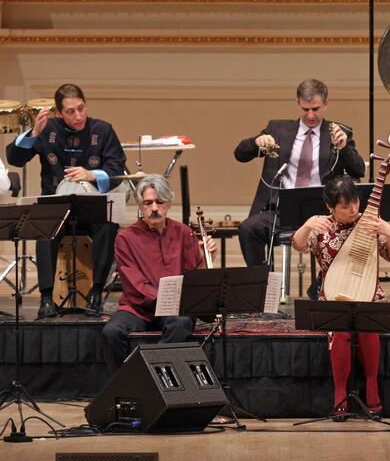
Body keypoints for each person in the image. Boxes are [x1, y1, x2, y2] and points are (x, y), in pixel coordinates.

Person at [5, 83, 126, 318]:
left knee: (108, 225)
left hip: (91, 207)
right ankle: (46, 299)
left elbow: (117, 167)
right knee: (43, 227)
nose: (78, 116)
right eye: (71, 111)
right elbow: (15, 158)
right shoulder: (47, 129)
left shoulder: (103, 130)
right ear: (59, 113)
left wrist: (92, 175)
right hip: (57, 208)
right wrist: (34, 134)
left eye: (81, 108)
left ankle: (96, 294)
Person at [292, 175, 390, 420]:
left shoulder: (370, 224)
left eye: (355, 202)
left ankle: (372, 388)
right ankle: (340, 394)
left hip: (368, 296)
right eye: (345, 206)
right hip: (334, 298)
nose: (353, 209)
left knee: (368, 325)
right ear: (330, 207)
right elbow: (298, 245)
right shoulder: (322, 227)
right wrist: (307, 225)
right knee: (340, 327)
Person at [234, 78, 365, 267]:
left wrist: (344, 148)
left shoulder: (339, 132)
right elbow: (240, 154)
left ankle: (323, 283)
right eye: (305, 109)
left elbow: (358, 170)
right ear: (298, 103)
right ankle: (263, 280)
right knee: (248, 229)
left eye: (316, 109)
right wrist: (256, 142)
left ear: (326, 104)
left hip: (323, 212)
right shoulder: (277, 130)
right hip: (281, 211)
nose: (310, 115)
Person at [101, 174, 217, 373]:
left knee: (181, 323)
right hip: (138, 308)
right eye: (148, 203)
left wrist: (207, 259)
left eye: (160, 202)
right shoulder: (125, 238)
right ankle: (125, 384)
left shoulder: (184, 233)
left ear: (169, 203)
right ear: (140, 205)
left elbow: (194, 279)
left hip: (174, 309)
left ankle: (152, 376)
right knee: (111, 333)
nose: (154, 208)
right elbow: (135, 285)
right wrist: (166, 300)